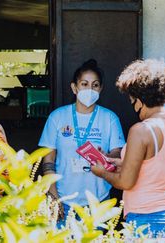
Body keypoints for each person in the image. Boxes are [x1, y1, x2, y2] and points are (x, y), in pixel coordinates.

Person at [91, 59, 165, 238]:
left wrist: (102, 172)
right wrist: (119, 163)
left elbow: (126, 182)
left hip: (147, 217)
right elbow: (157, 167)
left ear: (139, 100)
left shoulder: (141, 130)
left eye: (131, 100)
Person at [39, 59, 125, 225]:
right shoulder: (57, 117)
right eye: (84, 84)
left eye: (95, 85)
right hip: (63, 200)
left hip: (97, 202)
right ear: (74, 87)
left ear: (101, 89)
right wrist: (53, 196)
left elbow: (117, 153)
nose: (90, 89)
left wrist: (105, 156)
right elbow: (48, 160)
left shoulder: (109, 118)